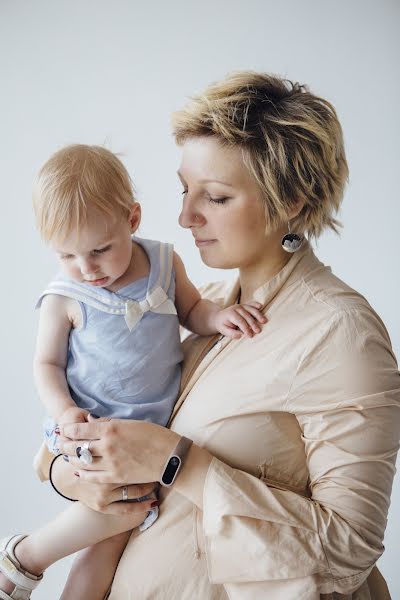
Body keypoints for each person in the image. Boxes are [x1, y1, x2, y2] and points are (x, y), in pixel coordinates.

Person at [4, 71, 399, 599]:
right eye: (185, 189)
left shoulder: (342, 335)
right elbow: (67, 445)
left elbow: (349, 549)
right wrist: (73, 474)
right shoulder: (192, 303)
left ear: (293, 203)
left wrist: (175, 462)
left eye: (214, 197)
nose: (184, 216)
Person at [0, 144, 267, 600]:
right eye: (67, 255)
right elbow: (46, 364)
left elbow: (193, 310)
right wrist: (64, 411)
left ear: (133, 219)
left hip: (150, 429)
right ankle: (25, 558)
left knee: (106, 547)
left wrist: (218, 317)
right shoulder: (65, 296)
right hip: (94, 429)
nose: (87, 269)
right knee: (120, 514)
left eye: (100, 250)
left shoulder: (163, 262)